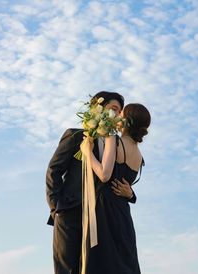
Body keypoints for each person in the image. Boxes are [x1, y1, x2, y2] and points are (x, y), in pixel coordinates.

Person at [46, 91, 136, 274]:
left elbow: (120, 177)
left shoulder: (116, 144)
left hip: (100, 219)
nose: (118, 115)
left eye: (119, 112)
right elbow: (53, 170)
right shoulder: (76, 136)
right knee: (67, 268)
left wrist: (131, 194)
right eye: (114, 109)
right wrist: (56, 207)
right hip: (70, 213)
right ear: (98, 109)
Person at [84, 103, 151, 274]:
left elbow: (104, 175)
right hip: (123, 214)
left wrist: (87, 152)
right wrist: (130, 194)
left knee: (102, 263)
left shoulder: (113, 140)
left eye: (122, 113)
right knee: (124, 263)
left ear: (126, 121)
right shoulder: (139, 155)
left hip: (105, 210)